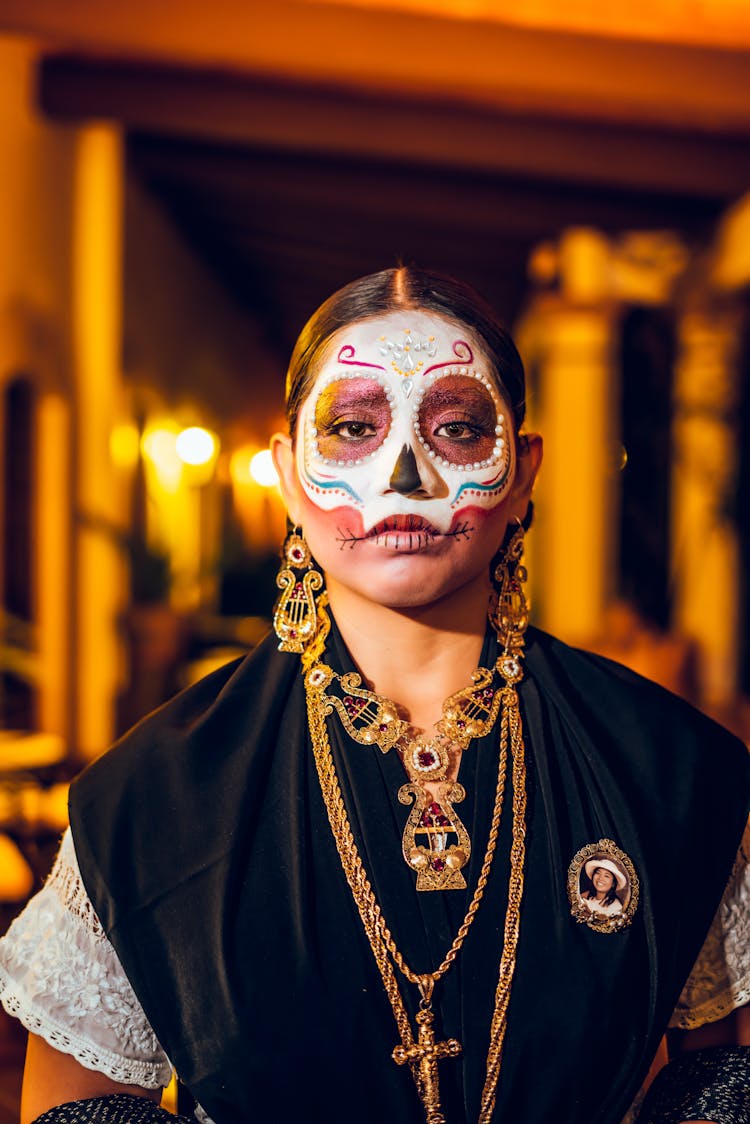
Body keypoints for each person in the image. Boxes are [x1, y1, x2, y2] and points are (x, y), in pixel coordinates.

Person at [1, 267, 749, 1124]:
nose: (405, 474)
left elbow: (725, 1083)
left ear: (524, 468)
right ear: (286, 472)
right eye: (354, 427)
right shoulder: (154, 800)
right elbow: (76, 1112)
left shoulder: (669, 769)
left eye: (458, 428)